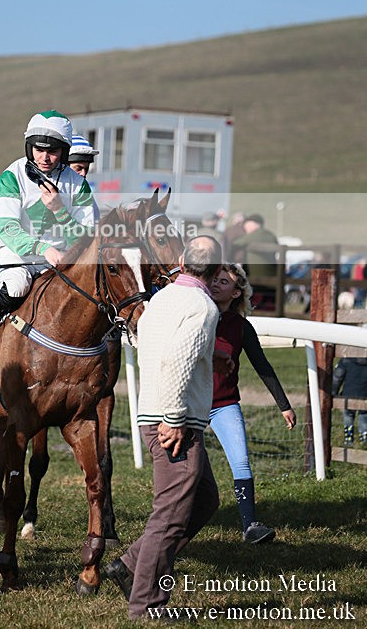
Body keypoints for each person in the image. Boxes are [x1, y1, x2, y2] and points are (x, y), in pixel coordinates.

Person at [105, 235, 222, 620]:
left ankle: (129, 564)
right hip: (173, 422)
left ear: (183, 263)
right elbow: (179, 360)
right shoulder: (202, 306)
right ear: (218, 271)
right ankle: (146, 605)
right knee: (170, 516)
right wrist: (173, 418)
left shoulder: (159, 301)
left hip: (153, 414)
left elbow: (141, 341)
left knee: (204, 501)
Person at [0, 110, 97, 371]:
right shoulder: (12, 176)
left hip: (64, 261)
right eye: (38, 149)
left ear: (65, 151)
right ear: (29, 146)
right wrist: (41, 248)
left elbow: (88, 236)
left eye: (53, 151)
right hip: (17, 256)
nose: (44, 157)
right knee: (17, 286)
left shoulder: (77, 185)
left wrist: (59, 209)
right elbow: (5, 227)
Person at [209, 263, 296, 543]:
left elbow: (262, 365)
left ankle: (250, 526)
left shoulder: (242, 327)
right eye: (215, 279)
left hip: (224, 405)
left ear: (236, 293)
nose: (216, 284)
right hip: (191, 406)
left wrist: (284, 405)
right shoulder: (196, 315)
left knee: (242, 463)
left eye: (224, 282)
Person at [231, 214, 279, 310]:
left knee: (256, 306)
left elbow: (235, 243)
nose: (245, 228)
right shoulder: (270, 235)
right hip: (273, 276)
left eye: (247, 225)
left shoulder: (255, 235)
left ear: (254, 224)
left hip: (256, 278)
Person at [332, 357, 367, 445]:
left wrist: (333, 392)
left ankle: (348, 438)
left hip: (348, 394)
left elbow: (337, 376)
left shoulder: (346, 359)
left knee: (348, 415)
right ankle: (364, 437)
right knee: (364, 416)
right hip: (365, 394)